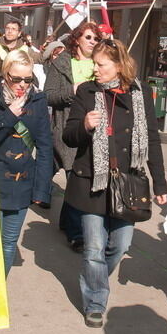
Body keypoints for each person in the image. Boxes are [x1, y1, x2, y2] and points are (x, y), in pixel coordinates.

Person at [63, 39, 167, 328]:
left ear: (119, 66)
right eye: (94, 64)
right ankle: (96, 300)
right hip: (92, 182)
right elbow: (69, 136)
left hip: (128, 182)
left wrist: (160, 184)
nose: (95, 69)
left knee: (120, 246)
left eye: (101, 64)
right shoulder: (87, 91)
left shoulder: (141, 93)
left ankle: (94, 278)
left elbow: (152, 139)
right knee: (94, 248)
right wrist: (85, 125)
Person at [0, 49, 53, 274]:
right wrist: (9, 115)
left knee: (9, 242)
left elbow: (45, 147)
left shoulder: (38, 99)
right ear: (5, 73)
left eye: (27, 79)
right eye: (16, 78)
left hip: (22, 183)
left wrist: (41, 191)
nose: (22, 84)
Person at [45, 21, 100, 249]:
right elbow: (48, 96)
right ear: (77, 39)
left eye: (96, 38)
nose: (93, 42)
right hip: (67, 129)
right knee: (75, 178)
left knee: (78, 180)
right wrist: (73, 90)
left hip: (93, 130)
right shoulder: (62, 63)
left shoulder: (101, 64)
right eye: (88, 37)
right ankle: (76, 233)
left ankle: (68, 223)